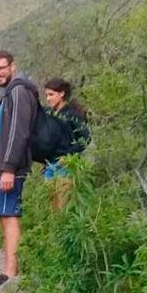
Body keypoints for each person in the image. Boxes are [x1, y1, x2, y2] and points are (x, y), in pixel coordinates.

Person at [0, 50, 37, 286]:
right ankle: (8, 269)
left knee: (9, 216)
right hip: (5, 166)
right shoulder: (9, 92)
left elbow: (19, 131)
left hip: (12, 168)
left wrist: (8, 168)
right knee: (4, 216)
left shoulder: (18, 91)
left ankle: (10, 274)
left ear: (12, 66)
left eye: (2, 68)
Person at [43, 77, 91, 209]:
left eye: (51, 95)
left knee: (64, 205)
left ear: (62, 94)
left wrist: (69, 156)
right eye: (46, 95)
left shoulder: (72, 114)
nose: (48, 99)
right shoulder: (50, 114)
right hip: (50, 166)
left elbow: (85, 138)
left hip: (66, 166)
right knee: (52, 206)